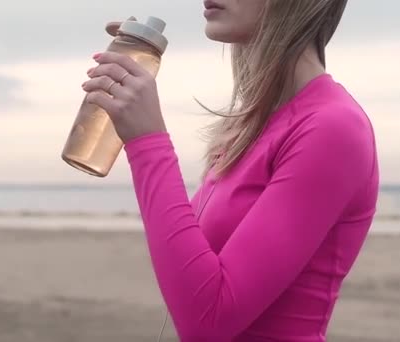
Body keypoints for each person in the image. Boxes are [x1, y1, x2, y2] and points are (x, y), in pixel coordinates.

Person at [81, 0, 379, 340]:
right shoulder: (253, 126)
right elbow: (190, 274)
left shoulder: (331, 127)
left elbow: (208, 320)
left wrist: (148, 143)